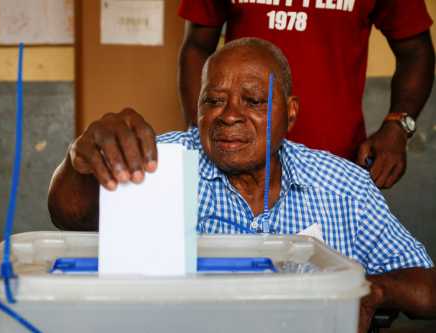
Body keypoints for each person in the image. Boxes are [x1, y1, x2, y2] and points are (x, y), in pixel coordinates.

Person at [47, 38, 435, 332]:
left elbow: (425, 286)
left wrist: (368, 289)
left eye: (253, 101)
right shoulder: (158, 165)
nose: (229, 116)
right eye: (212, 100)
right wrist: (79, 158)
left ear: (291, 112)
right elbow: (69, 214)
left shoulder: (342, 185)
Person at [177, 0, 435, 189]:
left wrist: (398, 126)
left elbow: (416, 51)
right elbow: (197, 47)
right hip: (236, 161)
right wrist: (199, 136)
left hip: (337, 164)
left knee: (339, 262)